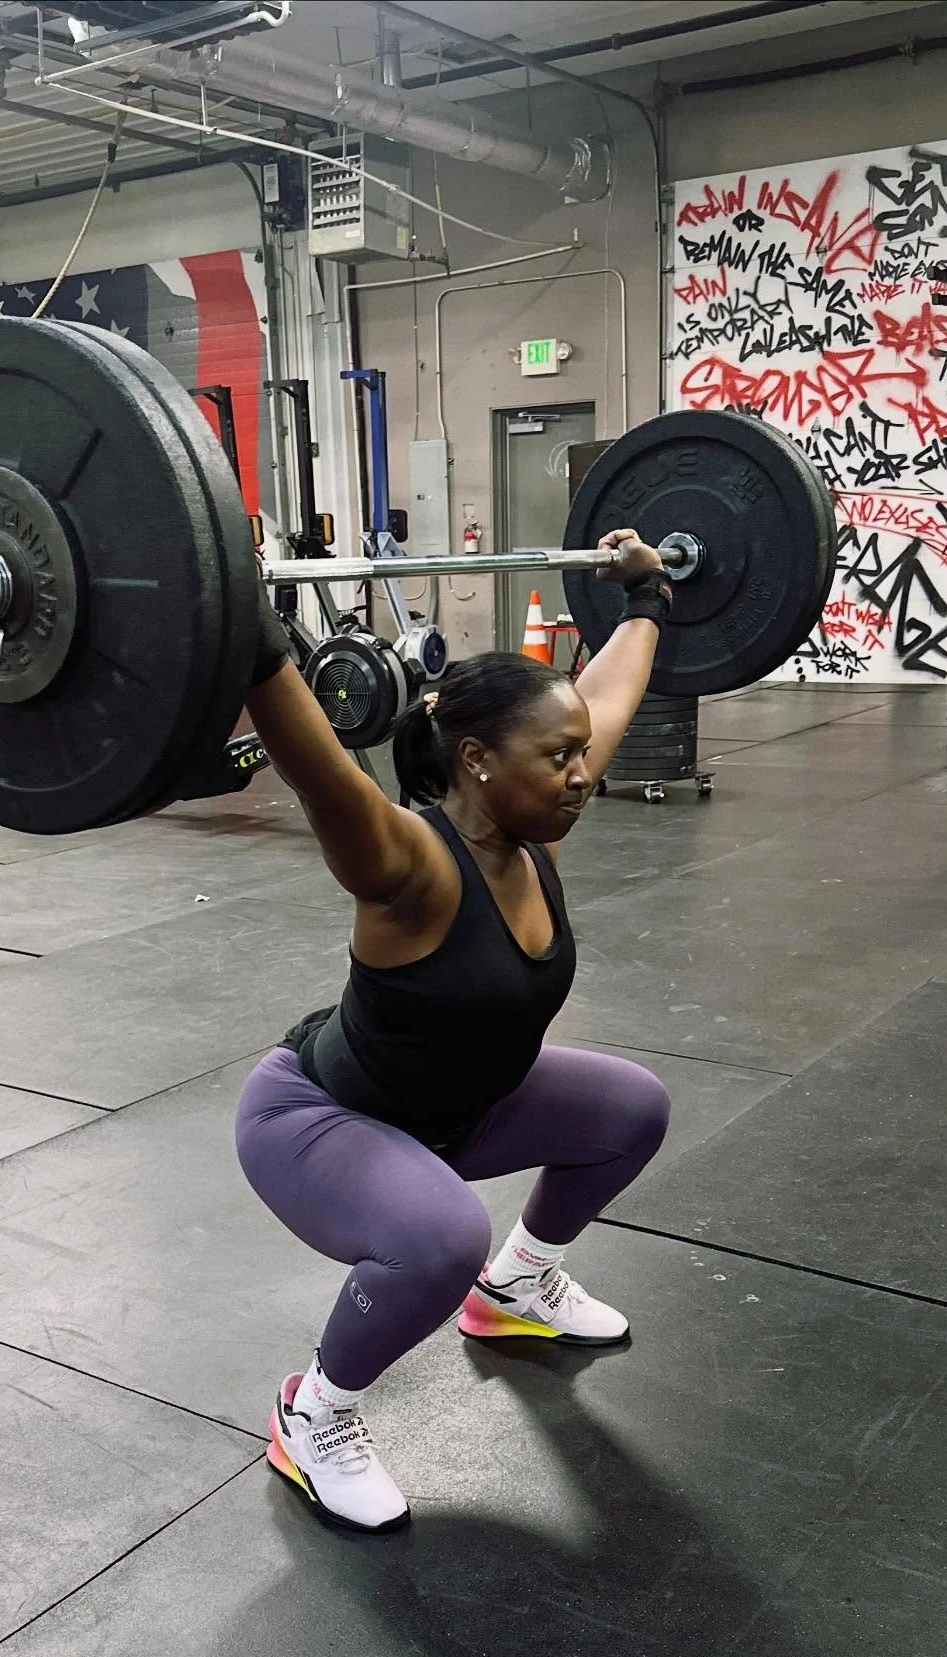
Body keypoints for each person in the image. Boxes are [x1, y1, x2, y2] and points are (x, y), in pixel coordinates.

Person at [236, 530, 674, 1533]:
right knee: (438, 1238)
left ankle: (515, 1289)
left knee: (630, 1110)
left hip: (458, 1109)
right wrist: (248, 639)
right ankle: (316, 1412)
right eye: (559, 758)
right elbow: (318, 772)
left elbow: (606, 697)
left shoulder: (528, 815)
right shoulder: (407, 862)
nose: (582, 772)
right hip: (320, 1120)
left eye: (579, 756)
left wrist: (648, 601)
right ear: (476, 761)